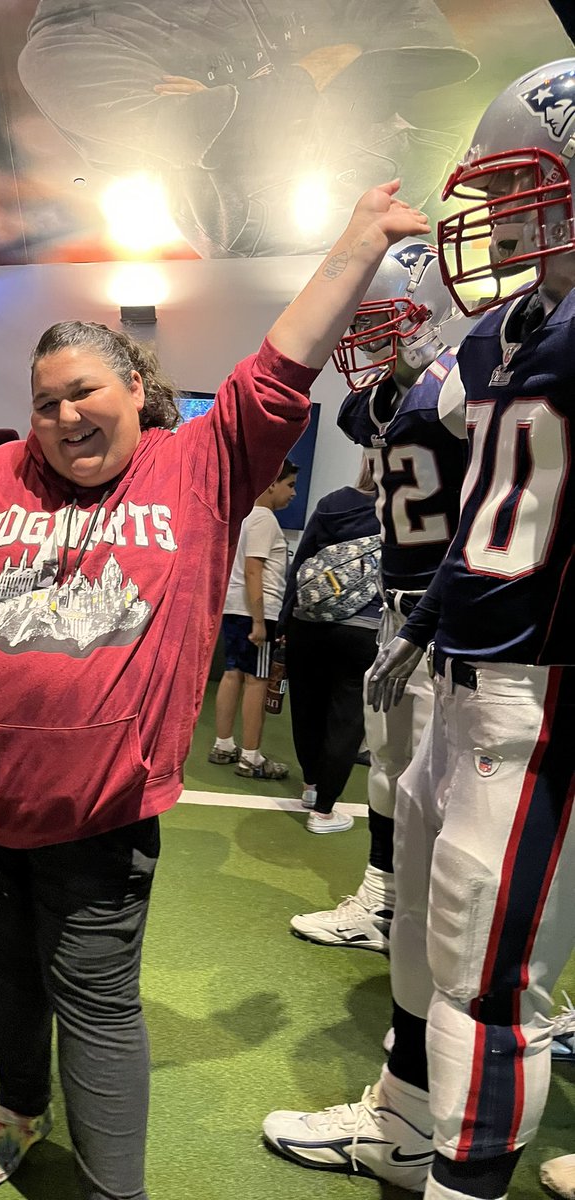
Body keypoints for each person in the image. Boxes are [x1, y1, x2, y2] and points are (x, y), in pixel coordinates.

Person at [0, 180, 429, 1198]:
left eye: (84, 391)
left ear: (137, 386)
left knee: (94, 1000)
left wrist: (357, 245)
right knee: (3, 978)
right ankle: (15, 1107)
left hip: (96, 820)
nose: (63, 416)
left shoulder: (200, 467)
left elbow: (280, 367)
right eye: (45, 403)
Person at [263, 60, 575, 1200]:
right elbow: (490, 511)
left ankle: (464, 1181)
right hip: (459, 665)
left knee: (488, 978)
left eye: (526, 184)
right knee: (421, 938)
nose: (499, 215)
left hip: (546, 684)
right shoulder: (503, 338)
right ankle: (401, 1131)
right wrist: (429, 618)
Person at [290, 238, 466, 944]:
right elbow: (366, 429)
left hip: (450, 614)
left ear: (424, 313)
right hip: (396, 610)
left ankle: (446, 925)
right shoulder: (382, 402)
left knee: (456, 786)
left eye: (376, 319)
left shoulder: (461, 383)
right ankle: (385, 904)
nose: (361, 337)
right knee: (390, 765)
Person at [18, 0, 477, 258]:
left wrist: (248, 91)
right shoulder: (64, 44)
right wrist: (333, 59)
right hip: (271, 246)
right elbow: (216, 131)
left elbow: (417, 38)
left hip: (412, 184)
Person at [278, 460, 380, 832]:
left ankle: (310, 784)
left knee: (306, 706)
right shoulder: (399, 511)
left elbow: (301, 562)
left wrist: (286, 619)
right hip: (363, 627)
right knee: (347, 715)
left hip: (310, 622)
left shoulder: (333, 503)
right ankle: (323, 811)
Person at [208, 459, 297, 780]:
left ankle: (223, 745)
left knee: (233, 674)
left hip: (236, 609)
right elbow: (253, 569)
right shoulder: (263, 519)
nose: (293, 493)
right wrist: (260, 621)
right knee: (256, 681)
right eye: (289, 485)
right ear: (271, 483)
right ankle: (251, 757)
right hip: (254, 613)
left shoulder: (246, 518)